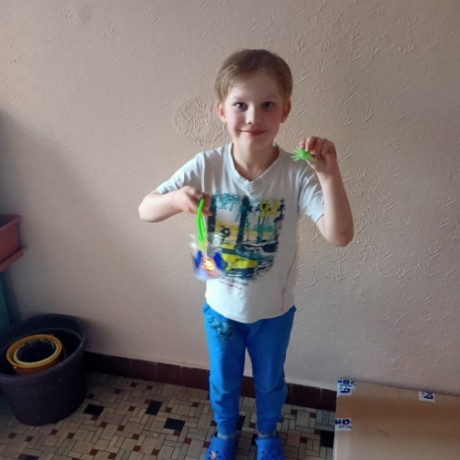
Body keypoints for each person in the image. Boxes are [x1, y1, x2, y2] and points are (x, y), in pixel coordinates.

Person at [138, 49, 353, 460]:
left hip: (274, 313)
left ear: (285, 110)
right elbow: (146, 209)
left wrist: (329, 175)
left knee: (270, 382)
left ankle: (267, 435)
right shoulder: (206, 165)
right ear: (222, 110)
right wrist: (176, 200)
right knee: (223, 382)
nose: (253, 117)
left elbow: (339, 235)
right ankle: (224, 434)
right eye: (241, 105)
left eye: (267, 104)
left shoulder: (296, 173)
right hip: (220, 311)